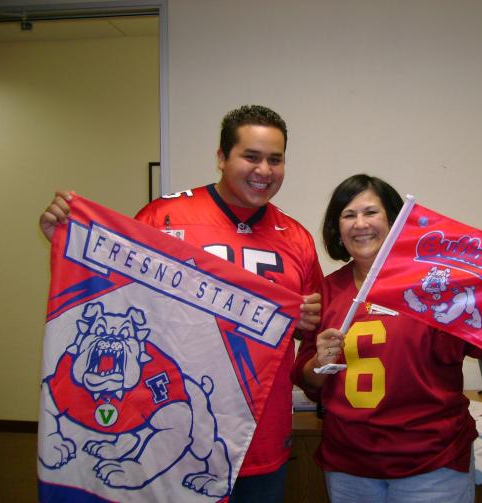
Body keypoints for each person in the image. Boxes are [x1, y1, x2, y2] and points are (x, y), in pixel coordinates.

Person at [39, 105, 323, 503]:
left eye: (275, 160)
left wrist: (301, 323)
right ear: (222, 157)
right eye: (251, 156)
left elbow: (309, 337)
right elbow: (121, 296)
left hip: (260, 434)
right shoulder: (163, 217)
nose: (264, 170)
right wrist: (67, 239)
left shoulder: (295, 238)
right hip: (173, 425)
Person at [291, 174, 482, 503]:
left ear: (395, 222)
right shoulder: (326, 291)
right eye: (349, 215)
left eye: (371, 212)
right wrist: (319, 363)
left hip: (432, 465)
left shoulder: (436, 286)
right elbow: (306, 377)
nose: (360, 224)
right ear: (337, 228)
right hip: (349, 465)